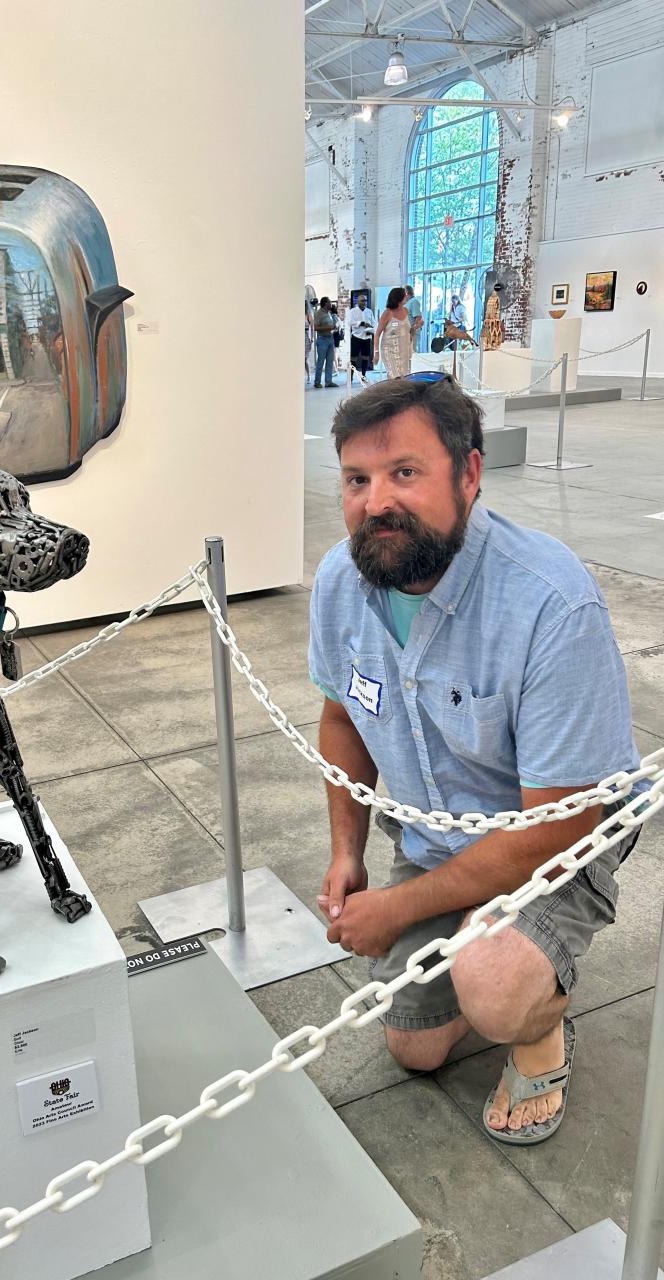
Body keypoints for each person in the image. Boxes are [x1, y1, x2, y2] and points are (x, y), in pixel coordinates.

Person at [308, 375, 645, 1145]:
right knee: (415, 1050)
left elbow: (556, 833)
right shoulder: (341, 580)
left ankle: (539, 1028)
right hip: (442, 835)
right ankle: (490, 944)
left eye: (404, 472)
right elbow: (340, 717)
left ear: (469, 474)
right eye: (357, 479)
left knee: (496, 988)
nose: (376, 501)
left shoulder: (549, 603)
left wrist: (396, 909)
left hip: (559, 836)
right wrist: (346, 851)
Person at [374, 287, 412, 379]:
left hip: (404, 350)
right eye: (405, 295)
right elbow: (377, 334)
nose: (406, 297)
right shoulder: (387, 313)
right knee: (394, 377)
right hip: (390, 350)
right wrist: (376, 352)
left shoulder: (406, 311)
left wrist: (416, 327)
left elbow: (409, 331)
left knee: (405, 376)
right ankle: (393, 393)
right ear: (399, 298)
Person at [347, 292, 376, 383]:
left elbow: (374, 323)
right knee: (353, 358)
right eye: (362, 301)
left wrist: (372, 329)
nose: (364, 302)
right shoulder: (352, 311)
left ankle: (363, 376)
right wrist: (362, 323)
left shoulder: (369, 311)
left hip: (367, 337)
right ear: (358, 301)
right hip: (356, 337)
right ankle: (350, 377)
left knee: (366, 357)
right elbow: (350, 322)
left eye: (365, 301)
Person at [312, 296, 338, 389]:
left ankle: (328, 382)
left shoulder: (329, 313)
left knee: (330, 361)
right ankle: (317, 382)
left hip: (330, 338)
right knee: (321, 361)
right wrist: (329, 327)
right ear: (325, 303)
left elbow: (332, 325)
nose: (331, 304)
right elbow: (315, 328)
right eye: (329, 302)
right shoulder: (318, 313)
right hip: (322, 339)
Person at [404, 284, 423, 350]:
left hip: (412, 332)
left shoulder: (414, 301)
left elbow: (418, 317)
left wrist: (413, 330)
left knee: (411, 352)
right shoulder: (407, 303)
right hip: (406, 332)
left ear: (406, 292)